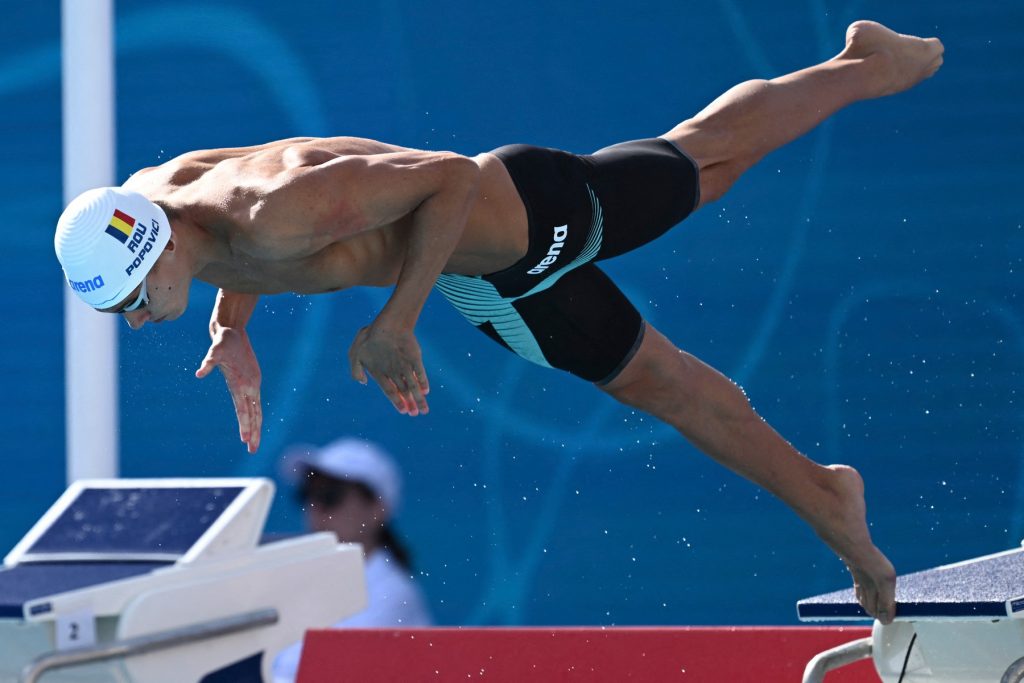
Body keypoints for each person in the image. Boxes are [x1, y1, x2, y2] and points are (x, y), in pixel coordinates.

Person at [54, 20, 945, 624]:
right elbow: (216, 251)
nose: (135, 324)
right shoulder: (147, 206)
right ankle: (828, 498)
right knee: (661, 388)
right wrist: (229, 324)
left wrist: (397, 322)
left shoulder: (283, 207)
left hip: (522, 214)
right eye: (116, 310)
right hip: (487, 286)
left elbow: (452, 176)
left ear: (159, 251)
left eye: (135, 302)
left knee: (707, 162)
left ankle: (861, 63)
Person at [271, 437, 431, 682]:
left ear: (378, 508)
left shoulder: (394, 595)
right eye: (307, 495)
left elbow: (319, 674)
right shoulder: (303, 583)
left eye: (330, 496)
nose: (315, 508)